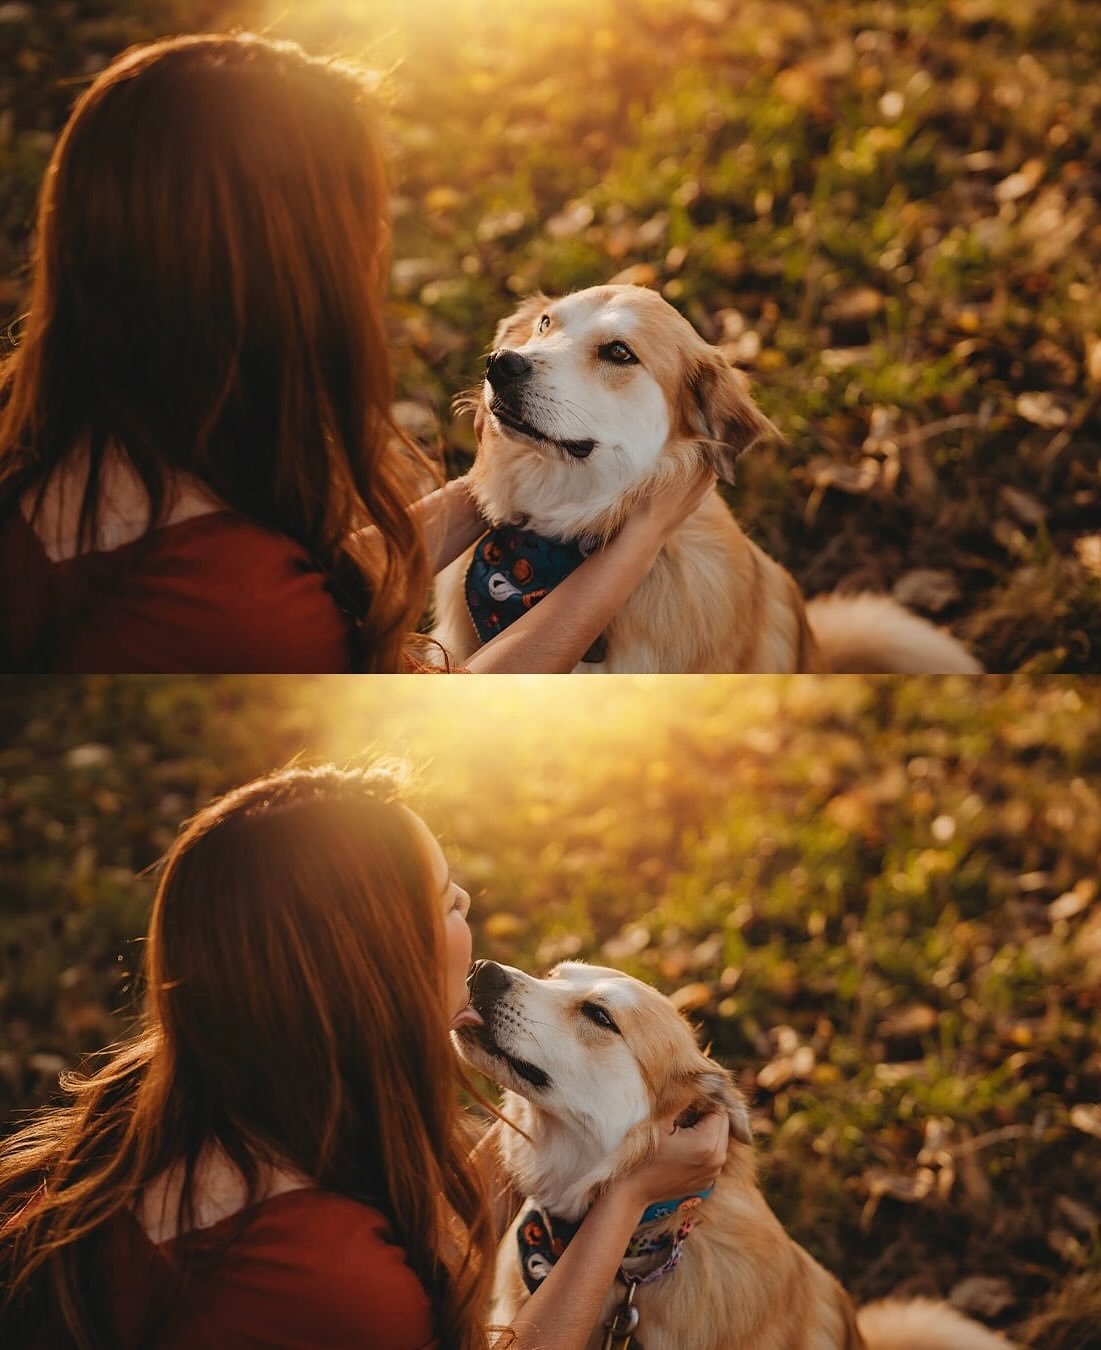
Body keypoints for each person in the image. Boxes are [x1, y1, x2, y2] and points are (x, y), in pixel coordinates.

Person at [0, 32, 714, 674]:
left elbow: (323, 581)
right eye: (359, 212)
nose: (379, 238)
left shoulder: (88, 449)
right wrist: (641, 540)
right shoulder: (243, 622)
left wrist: (491, 486)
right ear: (290, 272)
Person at [0, 764, 728, 1349]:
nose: (468, 903)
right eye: (446, 903)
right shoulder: (331, 1281)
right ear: (371, 966)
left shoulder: (190, 1098)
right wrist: (625, 1200)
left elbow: (428, 1222)